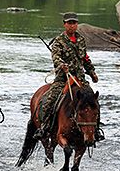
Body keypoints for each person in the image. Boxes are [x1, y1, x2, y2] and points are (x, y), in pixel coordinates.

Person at [33, 12, 100, 140]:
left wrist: (92, 72)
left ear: (77, 24)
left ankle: (96, 130)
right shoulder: (59, 41)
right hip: (63, 78)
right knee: (50, 100)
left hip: (79, 79)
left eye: (74, 23)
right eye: (69, 23)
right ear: (64, 24)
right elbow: (56, 57)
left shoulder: (81, 40)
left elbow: (85, 58)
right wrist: (62, 65)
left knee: (93, 102)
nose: (72, 25)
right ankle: (44, 127)